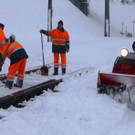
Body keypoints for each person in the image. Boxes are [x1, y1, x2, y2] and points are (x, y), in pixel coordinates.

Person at [0, 23, 28, 89]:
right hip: (23, 52)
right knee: (21, 69)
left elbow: (2, 58)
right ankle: (19, 83)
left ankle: (8, 85)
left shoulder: (2, 46)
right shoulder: (7, 41)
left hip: (16, 53)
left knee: (12, 70)